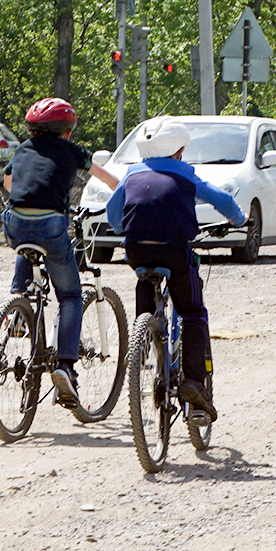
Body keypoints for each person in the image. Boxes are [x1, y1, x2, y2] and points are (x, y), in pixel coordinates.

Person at [104, 120, 246, 422]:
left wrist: (122, 227)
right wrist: (238, 219)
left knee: (145, 277)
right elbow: (221, 199)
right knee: (193, 311)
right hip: (173, 250)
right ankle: (194, 385)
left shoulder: (131, 173)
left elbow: (113, 214)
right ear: (179, 151)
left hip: (137, 249)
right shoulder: (185, 174)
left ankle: (145, 338)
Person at [0, 98, 122, 407]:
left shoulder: (24, 148)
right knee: (69, 295)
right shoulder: (73, 151)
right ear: (67, 132)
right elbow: (108, 180)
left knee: (26, 244)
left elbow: (7, 180)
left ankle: (19, 304)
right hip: (52, 224)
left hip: (14, 222)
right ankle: (66, 366)